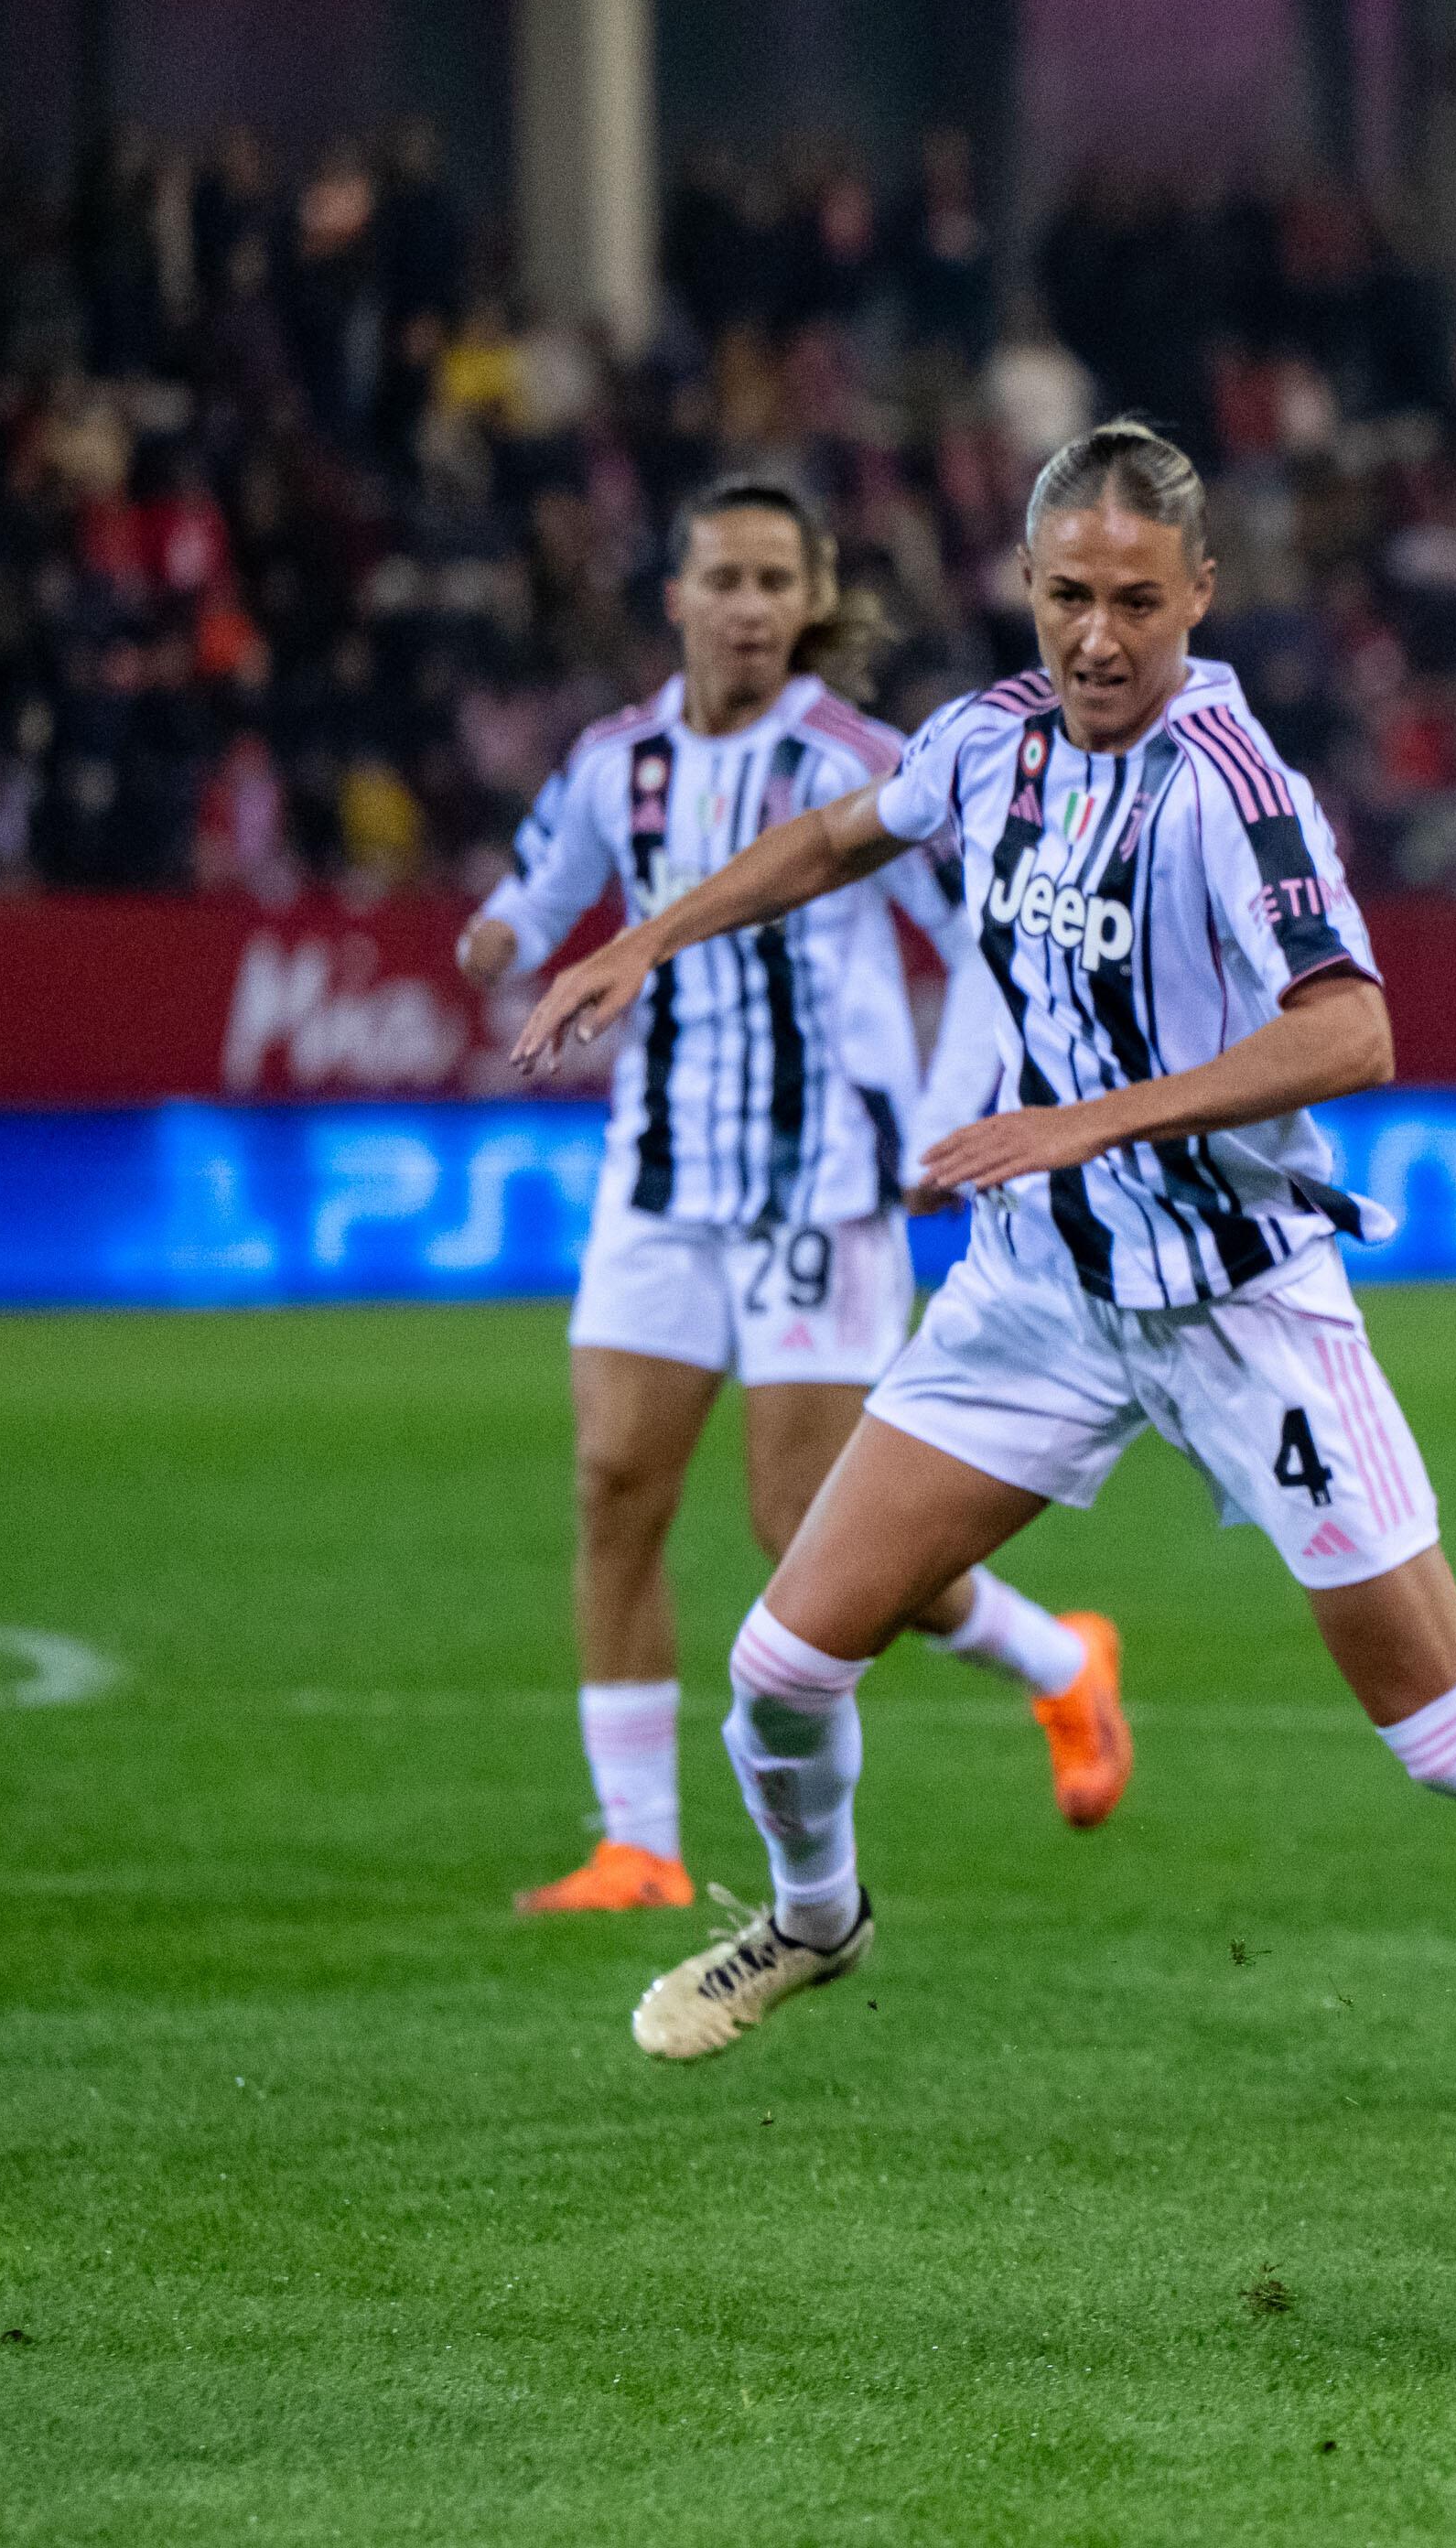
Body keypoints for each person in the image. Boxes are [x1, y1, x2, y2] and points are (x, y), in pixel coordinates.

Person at [507, 420, 1456, 2113]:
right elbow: (836, 842)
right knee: (783, 1666)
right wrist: (641, 938)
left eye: (1139, 604)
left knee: (1449, 1731)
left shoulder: (1238, 794)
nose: (1100, 638)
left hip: (1241, 1308)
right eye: (1070, 597)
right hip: (1038, 1297)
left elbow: (1356, 1032)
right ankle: (814, 1921)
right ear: (1026, 586)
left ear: (1200, 597)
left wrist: (1095, 1119)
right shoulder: (989, 741)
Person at [463, 476, 1127, 1915]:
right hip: (657, 1175)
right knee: (613, 1489)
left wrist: (950, 1118)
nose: (752, 606)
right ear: (679, 599)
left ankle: (1059, 1662)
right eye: (728, 579)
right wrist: (498, 938)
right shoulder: (614, 761)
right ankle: (637, 1843)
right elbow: (541, 889)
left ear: (811, 603)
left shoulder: (864, 761)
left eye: (778, 582)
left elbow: (983, 939)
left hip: (820, 1185)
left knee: (802, 1526)